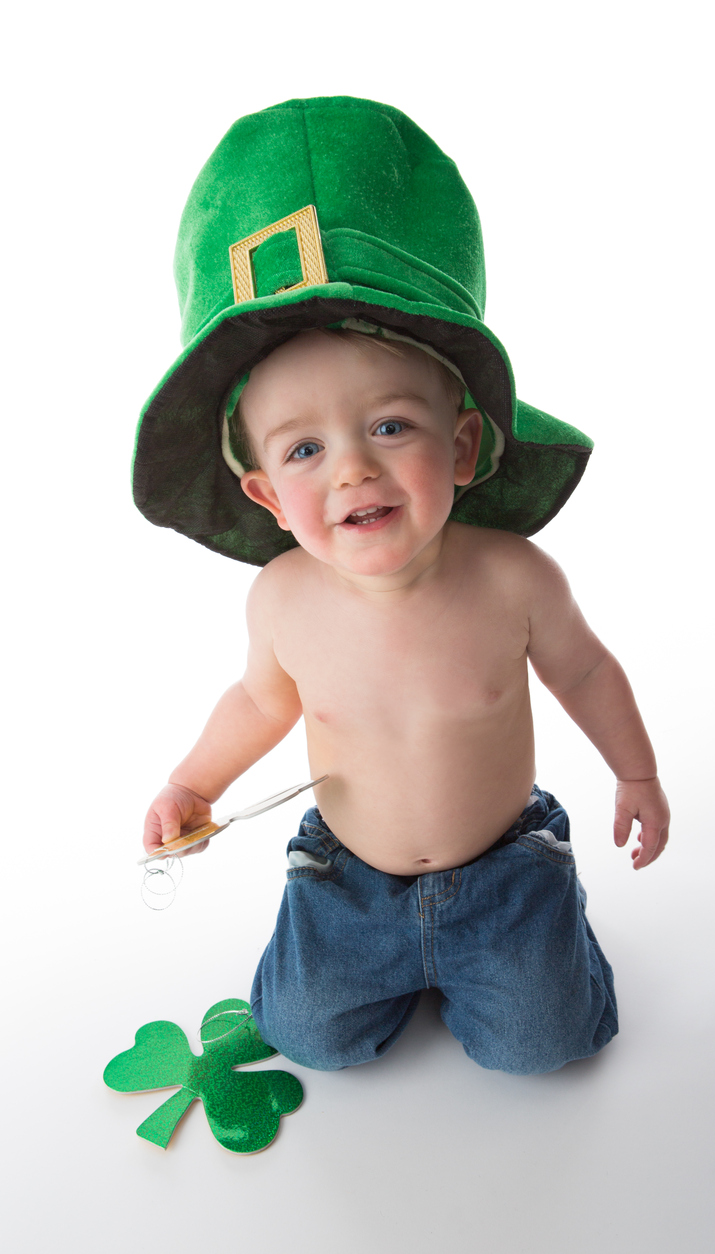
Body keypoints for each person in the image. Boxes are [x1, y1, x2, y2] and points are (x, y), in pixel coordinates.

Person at [136, 96, 669, 1075]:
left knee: (546, 1045)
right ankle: (370, 963)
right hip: (348, 880)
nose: (353, 471)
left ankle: (537, 938)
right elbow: (259, 700)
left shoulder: (510, 577)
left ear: (463, 444)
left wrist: (634, 773)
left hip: (501, 865)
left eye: (388, 426)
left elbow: (585, 670)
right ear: (263, 494)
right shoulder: (284, 601)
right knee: (305, 1039)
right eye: (305, 448)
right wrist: (192, 783)